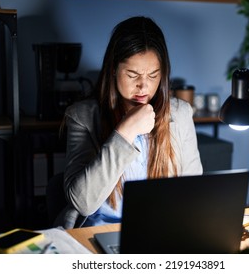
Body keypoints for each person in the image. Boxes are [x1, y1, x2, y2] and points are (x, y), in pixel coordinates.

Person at [55, 16, 203, 229]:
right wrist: (126, 131)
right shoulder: (82, 116)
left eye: (153, 75)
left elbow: (194, 192)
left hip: (160, 231)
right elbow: (83, 203)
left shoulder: (180, 114)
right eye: (133, 74)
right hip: (100, 232)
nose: (143, 86)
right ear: (113, 69)